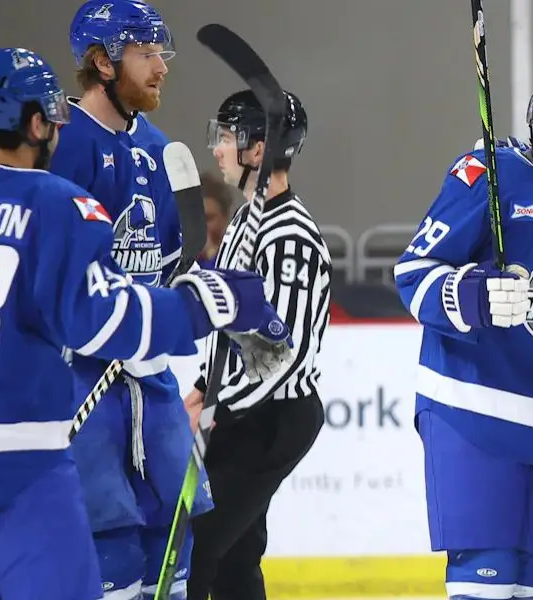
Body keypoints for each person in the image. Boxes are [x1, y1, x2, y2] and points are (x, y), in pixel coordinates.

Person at [0, 47, 287, 600]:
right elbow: (105, 323)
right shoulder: (54, 201)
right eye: (51, 114)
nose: (59, 124)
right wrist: (209, 303)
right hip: (15, 457)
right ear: (34, 123)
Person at [394, 54, 533, 600]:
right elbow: (412, 272)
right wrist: (470, 293)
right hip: (472, 413)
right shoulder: (488, 176)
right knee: (486, 576)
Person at [55, 2, 213, 597]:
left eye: (160, 53)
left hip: (151, 380)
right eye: (145, 54)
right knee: (107, 538)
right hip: (83, 380)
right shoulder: (61, 145)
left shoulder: (158, 146)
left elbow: (174, 258)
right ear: (101, 62)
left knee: (173, 534)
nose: (161, 67)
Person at [181, 89, 331, 600]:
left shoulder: (290, 235)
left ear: (257, 149)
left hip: (273, 419)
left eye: (227, 138)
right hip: (250, 411)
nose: (218, 149)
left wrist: (219, 408)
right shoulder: (249, 216)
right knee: (236, 556)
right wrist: (204, 388)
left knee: (198, 547)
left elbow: (282, 355)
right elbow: (237, 324)